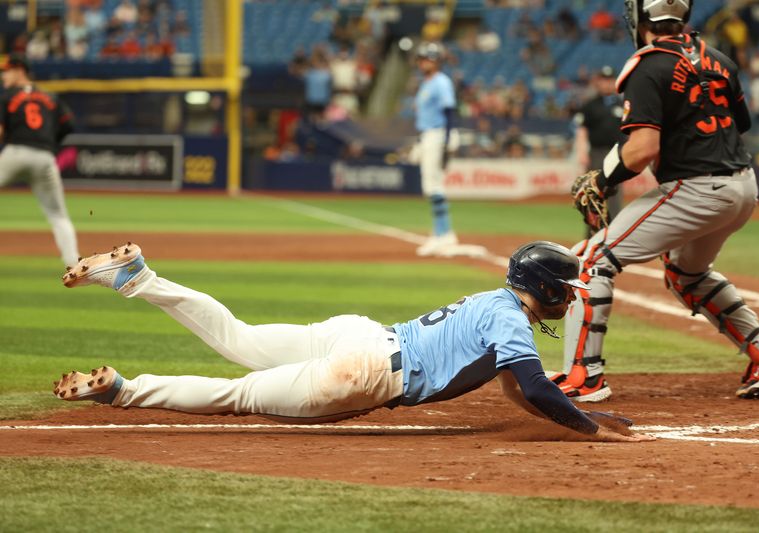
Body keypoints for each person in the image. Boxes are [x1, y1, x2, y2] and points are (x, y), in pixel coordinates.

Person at [53, 240, 653, 443]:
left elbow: (520, 393)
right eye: (566, 289)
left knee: (238, 337)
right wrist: (592, 427)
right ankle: (124, 392)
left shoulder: (491, 303)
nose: (571, 297)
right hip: (366, 374)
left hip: (362, 333)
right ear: (544, 286)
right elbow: (535, 387)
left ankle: (140, 280)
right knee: (235, 394)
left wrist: (564, 412)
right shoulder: (512, 325)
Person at [551, 0, 759, 402]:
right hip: (744, 186)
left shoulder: (649, 65)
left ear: (641, 17)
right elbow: (741, 123)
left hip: (697, 187)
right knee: (687, 273)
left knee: (591, 261)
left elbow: (643, 147)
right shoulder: (718, 59)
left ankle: (584, 376)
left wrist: (602, 176)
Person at [0, 54, 79, 266]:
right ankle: (73, 265)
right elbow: (69, 125)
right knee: (58, 216)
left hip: (16, 152)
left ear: (20, 70)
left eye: (6, 70)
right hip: (45, 157)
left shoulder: (7, 96)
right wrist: (51, 143)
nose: (3, 75)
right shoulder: (50, 97)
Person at [412, 42, 474, 258]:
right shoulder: (426, 83)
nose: (423, 62)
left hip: (438, 134)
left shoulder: (440, 81)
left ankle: (444, 233)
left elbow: (449, 111)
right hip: (428, 135)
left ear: (437, 60)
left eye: (427, 58)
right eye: (421, 58)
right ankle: (440, 232)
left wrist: (447, 139)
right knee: (430, 185)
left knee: (434, 183)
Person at [573, 65, 625, 237]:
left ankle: (614, 235)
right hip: (596, 153)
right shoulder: (590, 105)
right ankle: (591, 235)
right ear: (598, 82)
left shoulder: (622, 103)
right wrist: (582, 153)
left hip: (616, 154)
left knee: (615, 195)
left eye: (610, 80)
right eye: (604, 80)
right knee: (593, 194)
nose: (607, 83)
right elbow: (582, 130)